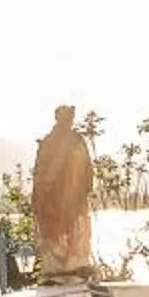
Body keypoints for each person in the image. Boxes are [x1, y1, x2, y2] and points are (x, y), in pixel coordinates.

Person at [31, 104, 95, 280]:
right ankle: (58, 268)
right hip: (56, 198)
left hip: (71, 197)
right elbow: (41, 172)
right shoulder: (50, 143)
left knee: (74, 229)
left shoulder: (72, 141)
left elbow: (86, 168)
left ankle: (73, 265)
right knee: (56, 232)